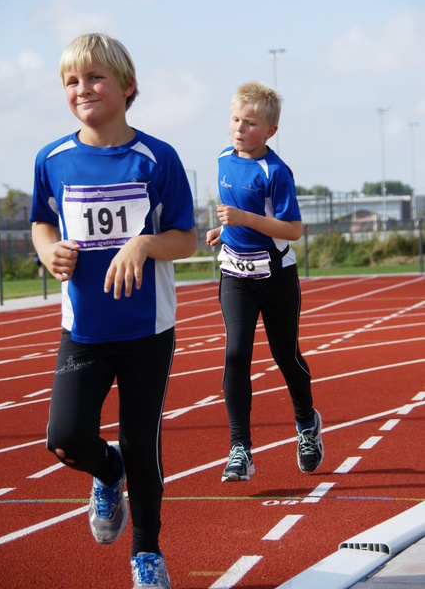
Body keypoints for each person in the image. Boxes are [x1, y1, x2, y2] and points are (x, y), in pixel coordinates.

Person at [30, 33, 196, 588]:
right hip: (85, 329)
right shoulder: (52, 159)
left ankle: (146, 555)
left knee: (141, 440)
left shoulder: (156, 158)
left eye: (96, 77)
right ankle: (107, 471)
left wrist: (144, 243)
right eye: (72, 81)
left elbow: (186, 239)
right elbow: (41, 221)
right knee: (66, 437)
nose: (83, 89)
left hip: (147, 329)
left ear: (127, 87)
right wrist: (46, 248)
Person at [206, 81, 323, 483]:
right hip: (234, 273)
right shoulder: (223, 158)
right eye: (236, 119)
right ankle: (240, 448)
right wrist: (222, 232)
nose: (239, 128)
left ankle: (307, 424)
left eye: (250, 123)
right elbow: (235, 213)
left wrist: (242, 220)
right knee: (236, 354)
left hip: (275, 277)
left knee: (284, 355)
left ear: (270, 131)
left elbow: (292, 229)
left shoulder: (275, 171)